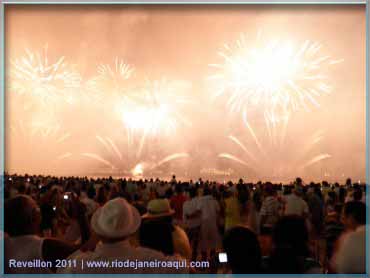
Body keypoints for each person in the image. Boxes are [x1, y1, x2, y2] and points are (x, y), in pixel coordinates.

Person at [59, 198, 187, 274]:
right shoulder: (148, 259)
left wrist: (89, 245)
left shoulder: (81, 264)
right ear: (131, 230)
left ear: (98, 231)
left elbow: (62, 271)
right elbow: (182, 268)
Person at [5, 195, 77, 273]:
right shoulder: (47, 246)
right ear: (32, 217)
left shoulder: (5, 245)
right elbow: (83, 253)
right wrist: (81, 217)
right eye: (37, 208)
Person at [197, 187, 220, 264]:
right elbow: (218, 210)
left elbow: (198, 210)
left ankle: (204, 261)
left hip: (204, 223)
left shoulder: (201, 200)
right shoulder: (214, 201)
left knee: (204, 241)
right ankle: (212, 261)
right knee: (213, 242)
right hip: (213, 222)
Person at [183, 186, 201, 261]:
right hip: (197, 225)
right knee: (195, 245)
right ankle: (193, 260)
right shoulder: (198, 201)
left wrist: (189, 216)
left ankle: (187, 260)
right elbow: (199, 211)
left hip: (189, 226)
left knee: (188, 244)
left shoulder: (186, 203)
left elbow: (185, 216)